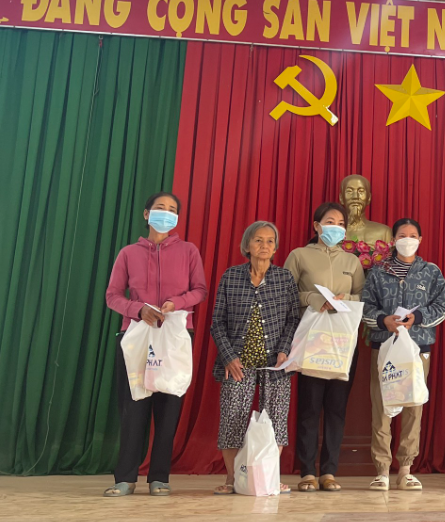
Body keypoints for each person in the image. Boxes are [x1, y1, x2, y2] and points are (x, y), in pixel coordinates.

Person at [103, 192, 208, 497]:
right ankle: (125, 478)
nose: (166, 213)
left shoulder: (189, 251)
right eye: (160, 208)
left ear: (177, 218)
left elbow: (199, 290)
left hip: (174, 337)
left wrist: (177, 303)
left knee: (169, 407)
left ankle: (159, 477)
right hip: (136, 338)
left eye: (172, 209)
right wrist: (138, 309)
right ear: (146, 214)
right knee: (133, 406)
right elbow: (112, 296)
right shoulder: (128, 253)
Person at [210, 221, 300, 495]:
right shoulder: (231, 276)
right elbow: (217, 322)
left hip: (275, 363)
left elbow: (293, 319)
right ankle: (232, 479)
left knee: (275, 420)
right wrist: (228, 357)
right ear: (247, 245)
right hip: (237, 362)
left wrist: (284, 350)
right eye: (258, 240)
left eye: (270, 241)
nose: (264, 246)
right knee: (233, 419)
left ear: (275, 247)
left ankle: (269, 477)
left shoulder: (284, 278)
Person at [362, 218, 445, 491]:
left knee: (413, 407)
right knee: (382, 409)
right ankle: (382, 471)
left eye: (413, 235)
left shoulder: (430, 272)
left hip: (418, 350)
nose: (407, 239)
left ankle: (406, 470)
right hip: (384, 348)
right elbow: (365, 307)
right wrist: (383, 320)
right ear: (393, 239)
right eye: (402, 235)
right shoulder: (378, 272)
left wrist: (418, 318)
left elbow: (443, 306)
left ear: (420, 240)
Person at [285, 202, 366, 492]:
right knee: (309, 408)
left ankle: (329, 472)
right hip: (312, 341)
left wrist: (346, 300)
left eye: (341, 224)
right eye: (330, 222)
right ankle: (307, 471)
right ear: (317, 226)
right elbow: (285, 293)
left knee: (336, 409)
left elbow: (363, 297)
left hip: (343, 344)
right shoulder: (299, 255)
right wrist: (313, 299)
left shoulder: (352, 261)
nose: (336, 228)